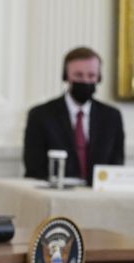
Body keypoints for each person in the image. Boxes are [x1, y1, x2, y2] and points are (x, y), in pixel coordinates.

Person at [23, 46, 125, 184]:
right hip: (55, 196)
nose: (85, 81)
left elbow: (116, 168)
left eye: (91, 75)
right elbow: (34, 169)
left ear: (99, 77)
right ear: (66, 76)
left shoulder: (112, 117)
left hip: (98, 198)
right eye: (78, 75)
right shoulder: (40, 115)